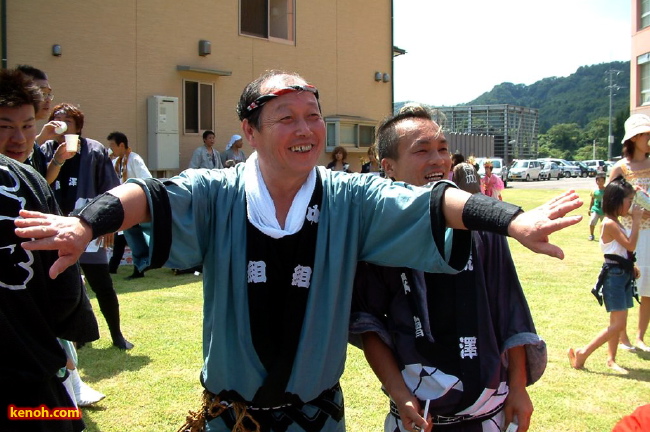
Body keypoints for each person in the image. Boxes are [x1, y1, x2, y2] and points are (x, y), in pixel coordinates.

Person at [15, 70, 583, 432]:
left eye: (313, 114)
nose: (306, 126)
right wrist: (88, 224)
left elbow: (434, 205)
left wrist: (511, 220)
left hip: (318, 417)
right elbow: (150, 196)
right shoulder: (216, 192)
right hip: (231, 417)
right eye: (286, 117)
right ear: (251, 130)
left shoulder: (352, 197)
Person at [350, 106, 543, 432]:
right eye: (422, 150)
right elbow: (369, 325)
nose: (438, 159)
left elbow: (508, 309)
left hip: (488, 413)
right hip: (416, 417)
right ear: (389, 166)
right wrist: (400, 394)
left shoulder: (482, 226)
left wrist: (519, 387)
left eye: (442, 149)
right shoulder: (378, 239)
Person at [0, 68, 98, 432]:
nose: (19, 138)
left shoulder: (30, 175)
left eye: (27, 126)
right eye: (5, 126)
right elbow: (65, 285)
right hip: (31, 366)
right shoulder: (26, 180)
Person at [41, 103, 133, 350]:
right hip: (56, 226)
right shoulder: (46, 149)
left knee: (102, 284)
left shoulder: (95, 150)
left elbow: (110, 189)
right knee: (67, 284)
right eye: (56, 118)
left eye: (66, 120)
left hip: (88, 225)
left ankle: (116, 335)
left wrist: (110, 224)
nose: (60, 122)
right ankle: (77, 336)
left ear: (78, 125)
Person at [568, 176, 643, 374]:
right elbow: (631, 244)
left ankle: (611, 359)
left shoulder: (616, 222)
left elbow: (623, 250)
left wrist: (631, 265)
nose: (631, 205)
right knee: (617, 324)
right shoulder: (609, 223)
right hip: (615, 277)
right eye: (628, 201)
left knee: (618, 323)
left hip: (622, 273)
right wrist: (636, 220)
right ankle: (583, 353)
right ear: (616, 201)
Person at [609, 113, 650, 353]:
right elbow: (610, 203)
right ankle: (622, 336)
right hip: (629, 233)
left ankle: (640, 336)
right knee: (626, 284)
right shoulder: (620, 168)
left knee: (649, 288)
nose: (648, 139)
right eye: (644, 134)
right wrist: (633, 213)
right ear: (633, 138)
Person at [106, 131, 152, 279]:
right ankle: (114, 267)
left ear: (121, 145)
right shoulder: (116, 162)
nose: (111, 149)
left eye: (112, 146)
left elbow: (147, 179)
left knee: (133, 238)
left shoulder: (134, 159)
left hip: (134, 203)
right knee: (122, 237)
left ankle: (139, 269)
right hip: (122, 203)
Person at [588, 173, 606, 241]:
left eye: (602, 181)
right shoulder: (594, 190)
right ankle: (591, 235)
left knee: (604, 224)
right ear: (596, 181)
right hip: (596, 209)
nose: (600, 182)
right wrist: (589, 209)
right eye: (599, 181)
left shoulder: (607, 190)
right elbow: (592, 200)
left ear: (604, 181)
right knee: (592, 221)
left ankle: (603, 236)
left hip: (604, 210)